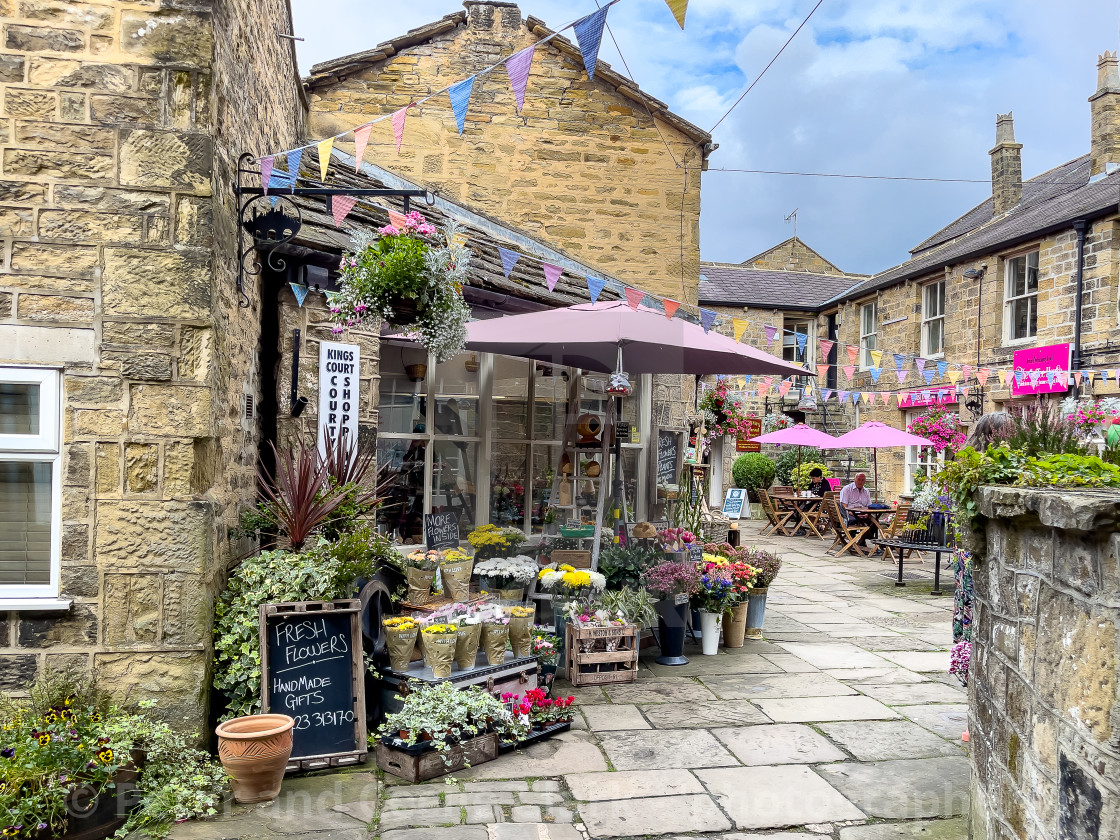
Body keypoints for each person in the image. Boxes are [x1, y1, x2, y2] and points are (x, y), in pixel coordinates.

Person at [839, 472, 880, 546]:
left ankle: (862, 540)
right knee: (853, 521)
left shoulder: (866, 491)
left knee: (875, 522)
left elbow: (869, 506)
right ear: (854, 480)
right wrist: (853, 514)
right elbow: (844, 506)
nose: (860, 482)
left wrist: (867, 514)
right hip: (849, 514)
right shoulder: (847, 489)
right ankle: (853, 542)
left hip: (862, 513)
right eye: (858, 479)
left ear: (864, 481)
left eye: (862, 480)